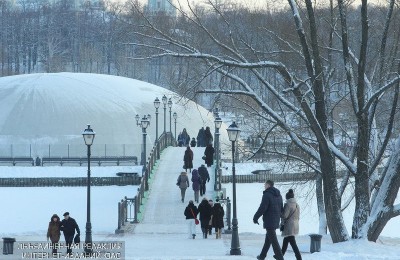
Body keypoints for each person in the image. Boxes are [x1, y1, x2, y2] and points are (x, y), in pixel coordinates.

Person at [253, 180, 284, 260]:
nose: (264, 186)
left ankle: (280, 257)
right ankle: (262, 256)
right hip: (276, 219)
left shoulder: (267, 195)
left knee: (273, 240)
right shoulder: (279, 195)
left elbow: (262, 208)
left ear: (268, 185)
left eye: (265, 184)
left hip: (269, 220)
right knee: (268, 240)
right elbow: (281, 208)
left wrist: (256, 217)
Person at [279, 189, 302, 260]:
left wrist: (280, 212)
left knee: (292, 243)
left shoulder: (288, 205)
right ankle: (280, 255)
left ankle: (299, 258)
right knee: (286, 240)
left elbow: (285, 216)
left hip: (289, 226)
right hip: (295, 225)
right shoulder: (297, 205)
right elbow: (298, 216)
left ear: (287, 197)